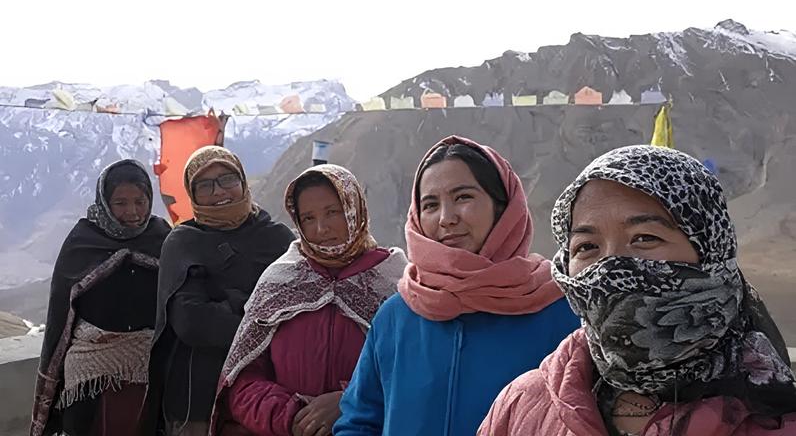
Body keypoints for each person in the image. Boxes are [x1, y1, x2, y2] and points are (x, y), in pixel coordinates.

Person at [478, 145, 796, 436]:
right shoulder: (522, 408)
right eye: (587, 246)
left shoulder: (776, 417)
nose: (611, 266)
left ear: (712, 252)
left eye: (644, 238)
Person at [334, 135, 580, 436]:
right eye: (430, 204)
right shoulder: (397, 316)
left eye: (463, 197)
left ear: (503, 208)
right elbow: (359, 420)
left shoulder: (560, 312)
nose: (446, 218)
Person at [209, 164, 408, 436]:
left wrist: (347, 401)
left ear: (354, 208)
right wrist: (294, 416)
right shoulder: (279, 281)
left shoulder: (394, 281)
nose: (321, 228)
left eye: (332, 212)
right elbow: (241, 380)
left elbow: (412, 374)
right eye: (308, 218)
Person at [147, 146, 295, 436]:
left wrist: (225, 301)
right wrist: (256, 309)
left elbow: (294, 310)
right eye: (205, 185)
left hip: (271, 396)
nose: (218, 192)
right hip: (199, 399)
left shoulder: (276, 238)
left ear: (243, 182)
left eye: (227, 179)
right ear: (192, 193)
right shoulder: (183, 242)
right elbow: (193, 324)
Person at [31, 159, 171, 436]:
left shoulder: (162, 236)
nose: (132, 212)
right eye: (120, 203)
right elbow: (61, 313)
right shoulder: (82, 241)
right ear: (105, 202)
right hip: (89, 369)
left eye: (140, 201)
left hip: (149, 366)